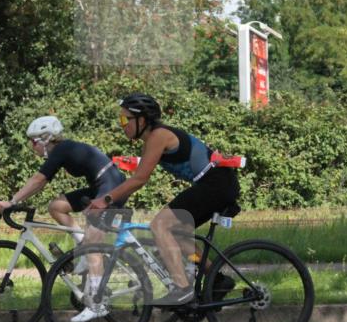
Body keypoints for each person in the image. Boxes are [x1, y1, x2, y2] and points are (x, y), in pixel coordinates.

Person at [86, 93, 239, 306]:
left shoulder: (159, 135)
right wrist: (115, 202)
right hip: (217, 184)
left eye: (124, 119)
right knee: (176, 233)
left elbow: (140, 179)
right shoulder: (151, 140)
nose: (121, 125)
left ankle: (182, 289)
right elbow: (137, 179)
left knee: (160, 225)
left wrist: (107, 200)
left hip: (215, 184)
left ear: (142, 120)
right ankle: (218, 279)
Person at [0, 115, 126, 322]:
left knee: (93, 246)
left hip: (111, 187)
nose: (31, 146)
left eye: (33, 142)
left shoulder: (60, 150)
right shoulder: (63, 150)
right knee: (56, 207)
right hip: (101, 185)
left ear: (44, 140)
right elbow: (41, 183)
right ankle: (83, 247)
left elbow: (39, 180)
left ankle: (98, 303)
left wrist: (12, 201)